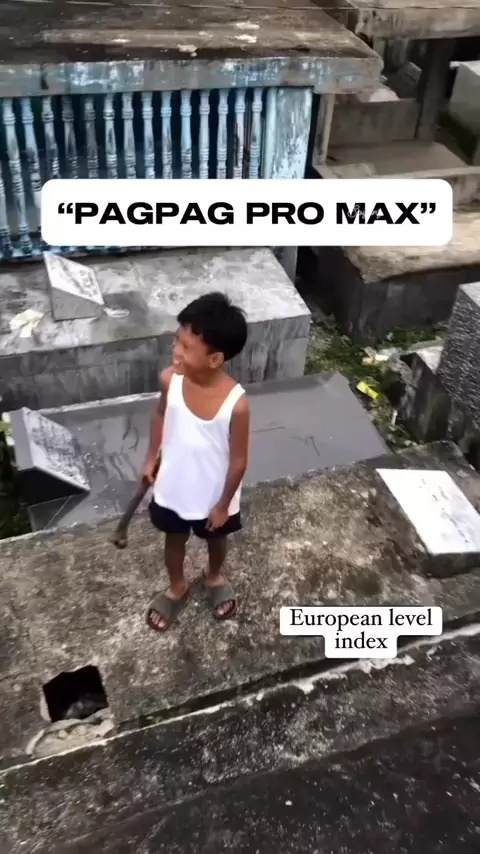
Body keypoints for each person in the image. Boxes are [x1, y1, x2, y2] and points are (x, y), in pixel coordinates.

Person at [142, 292, 249, 632]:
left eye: (186, 347)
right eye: (177, 340)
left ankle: (213, 575)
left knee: (217, 540)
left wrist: (223, 505)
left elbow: (239, 461)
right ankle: (177, 586)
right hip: (173, 484)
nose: (176, 351)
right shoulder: (169, 380)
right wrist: (151, 456)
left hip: (214, 493)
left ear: (215, 358)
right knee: (173, 539)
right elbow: (161, 414)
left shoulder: (236, 404)